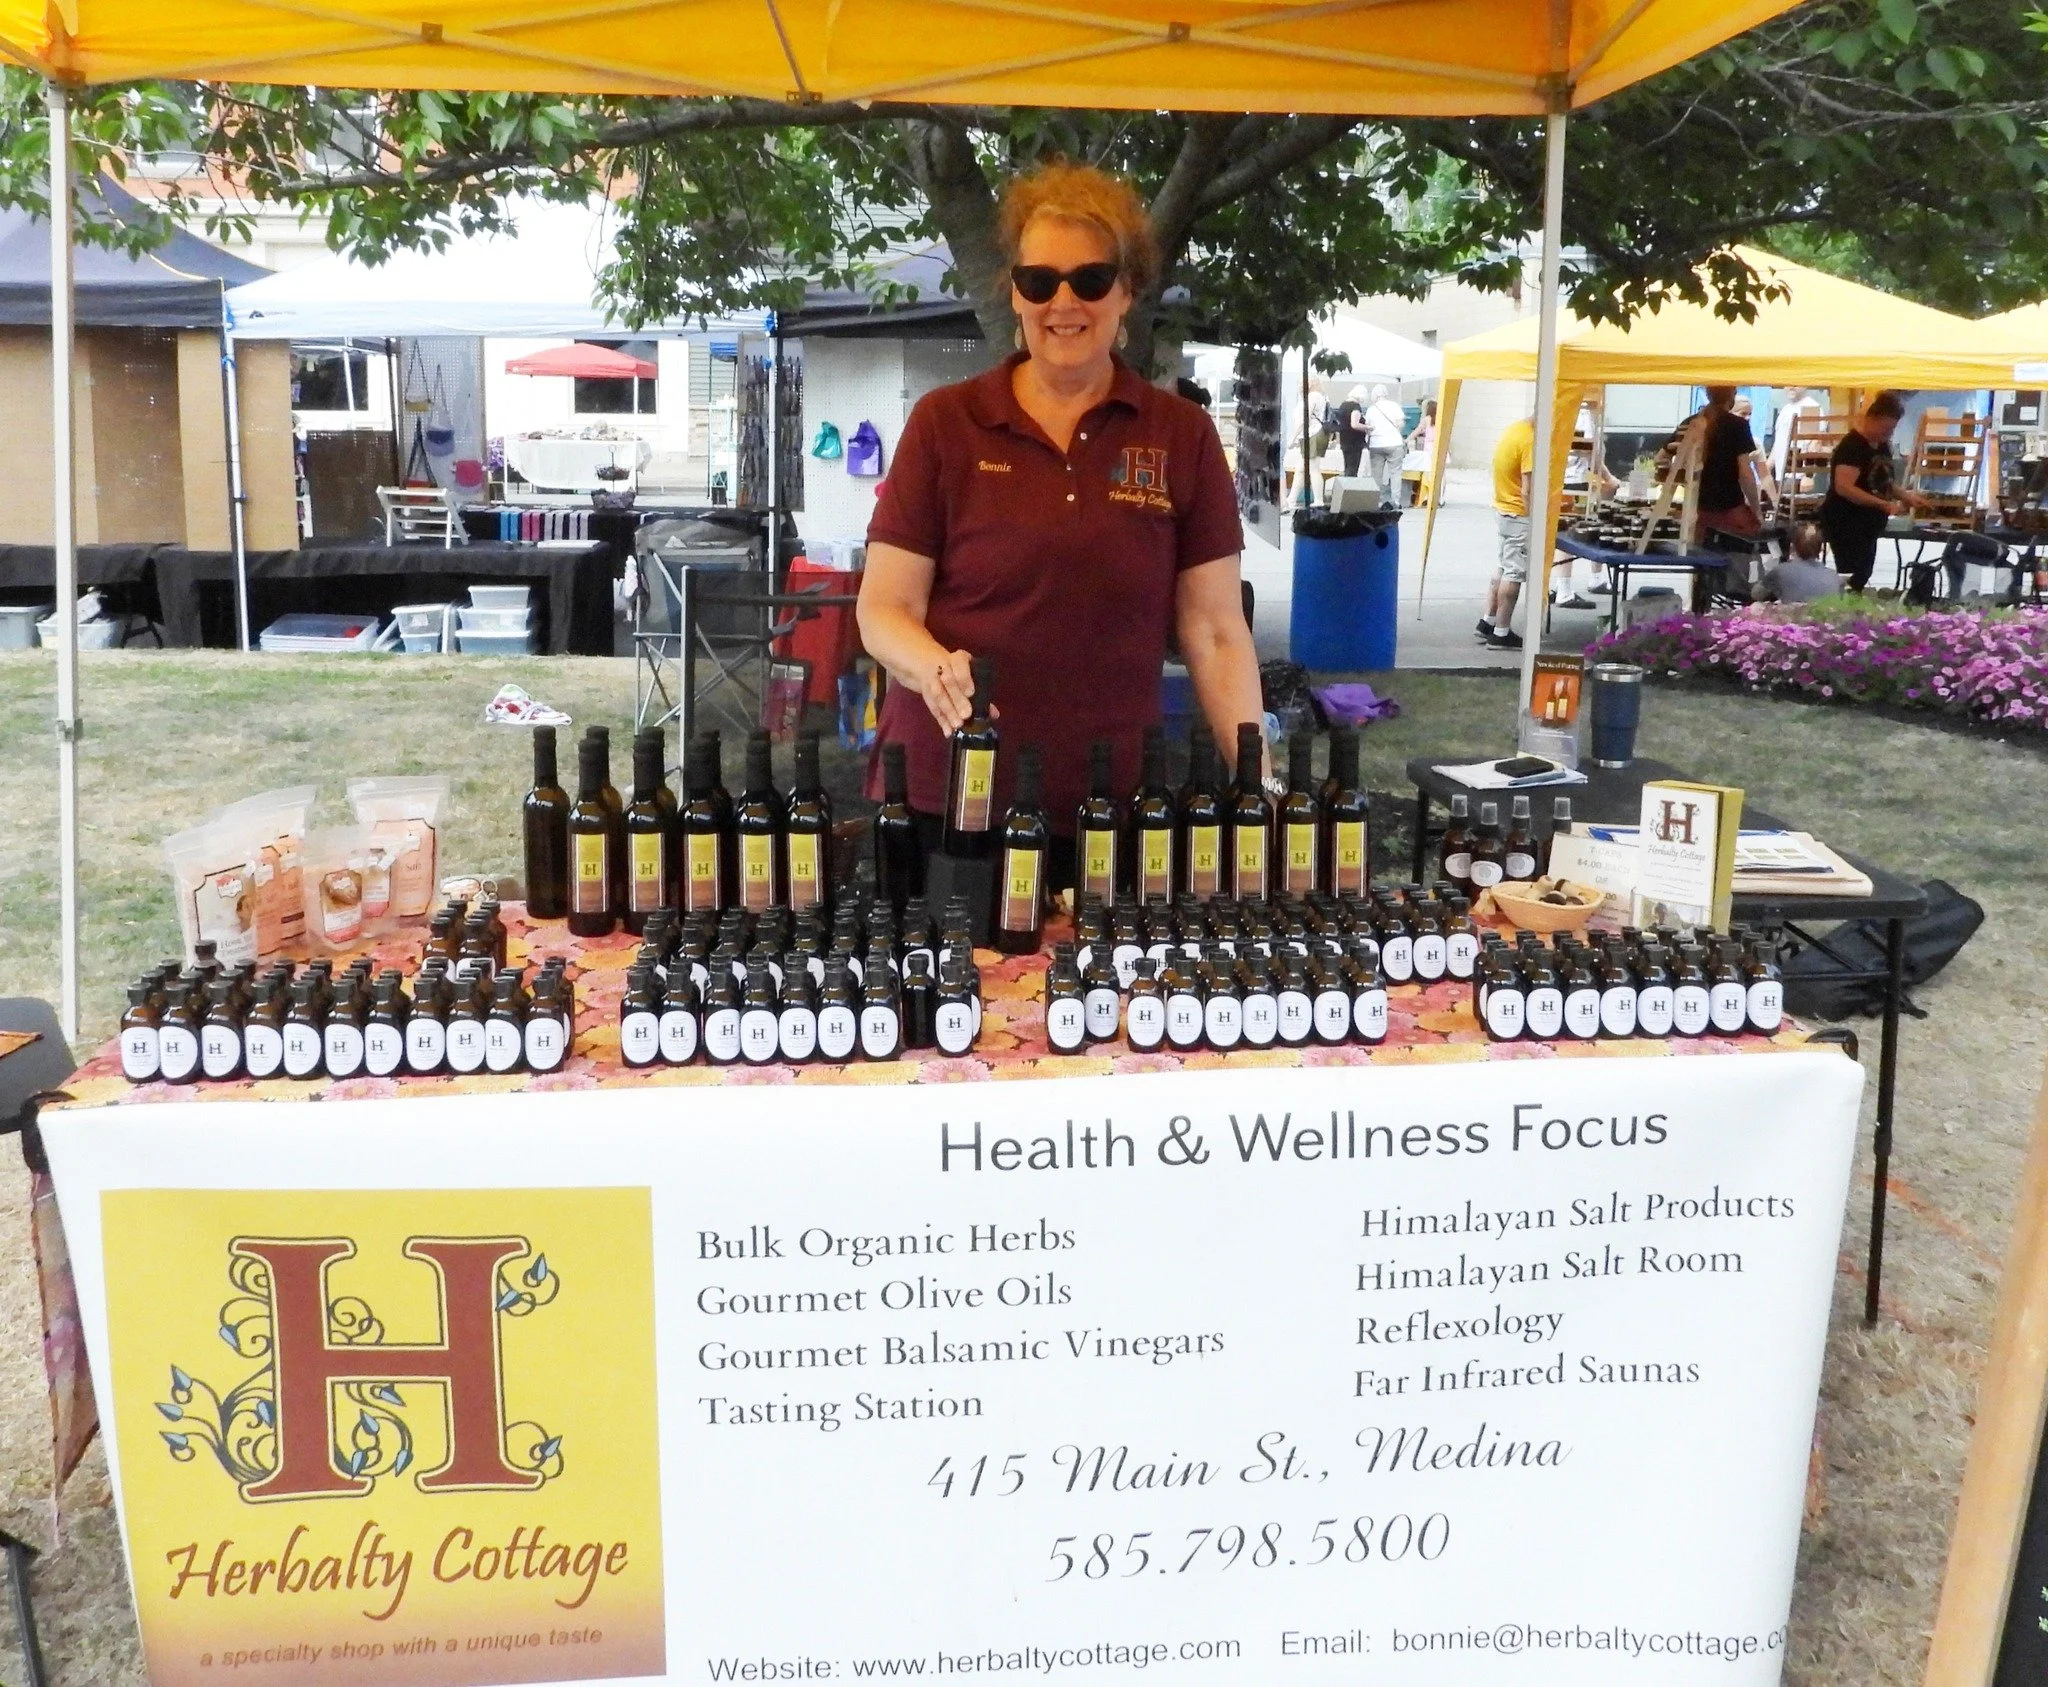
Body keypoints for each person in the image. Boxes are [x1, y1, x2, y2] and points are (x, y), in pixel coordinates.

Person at [857, 159, 1265, 887]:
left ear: (1128, 291)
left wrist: (1258, 774)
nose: (1063, 301)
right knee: (947, 996)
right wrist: (932, 666)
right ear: (1015, 293)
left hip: (1111, 803)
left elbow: (1215, 629)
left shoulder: (1182, 435)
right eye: (1039, 281)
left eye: (1090, 279)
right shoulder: (945, 424)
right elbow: (884, 609)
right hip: (948, 795)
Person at [1817, 391, 1928, 591]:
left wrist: (1905, 495)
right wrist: (1883, 504)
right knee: (1852, 574)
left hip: (1869, 524)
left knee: (1863, 573)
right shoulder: (1852, 447)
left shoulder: (1882, 445)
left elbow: (1882, 481)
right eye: (1886, 428)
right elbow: (1844, 488)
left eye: (1892, 428)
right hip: (1846, 522)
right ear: (1872, 418)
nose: (1889, 433)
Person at [1480, 414, 1535, 651]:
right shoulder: (1530, 440)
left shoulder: (1514, 430)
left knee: (1502, 566)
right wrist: (1534, 517)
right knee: (1514, 572)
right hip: (1518, 513)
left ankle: (1487, 621)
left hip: (1502, 508)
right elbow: (1527, 489)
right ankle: (1501, 633)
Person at [1756, 522, 1841, 603]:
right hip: (1824, 617)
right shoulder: (1833, 576)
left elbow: (1756, 594)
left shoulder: (1781, 571)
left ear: (1795, 546)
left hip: (1793, 616)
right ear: (1820, 548)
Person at [1365, 384, 1408, 506]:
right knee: (1395, 473)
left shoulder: (1371, 409)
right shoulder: (1394, 406)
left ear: (1375, 395)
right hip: (1394, 443)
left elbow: (1368, 428)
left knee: (1376, 474)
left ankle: (1377, 501)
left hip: (1376, 444)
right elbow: (1401, 424)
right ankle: (1396, 500)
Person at [1334, 385, 1367, 478]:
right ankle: (1351, 488)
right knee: (1353, 469)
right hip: (1355, 442)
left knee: (1347, 467)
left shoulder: (1343, 405)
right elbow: (1355, 424)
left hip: (1344, 439)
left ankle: (1346, 488)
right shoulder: (1355, 406)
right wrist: (1368, 427)